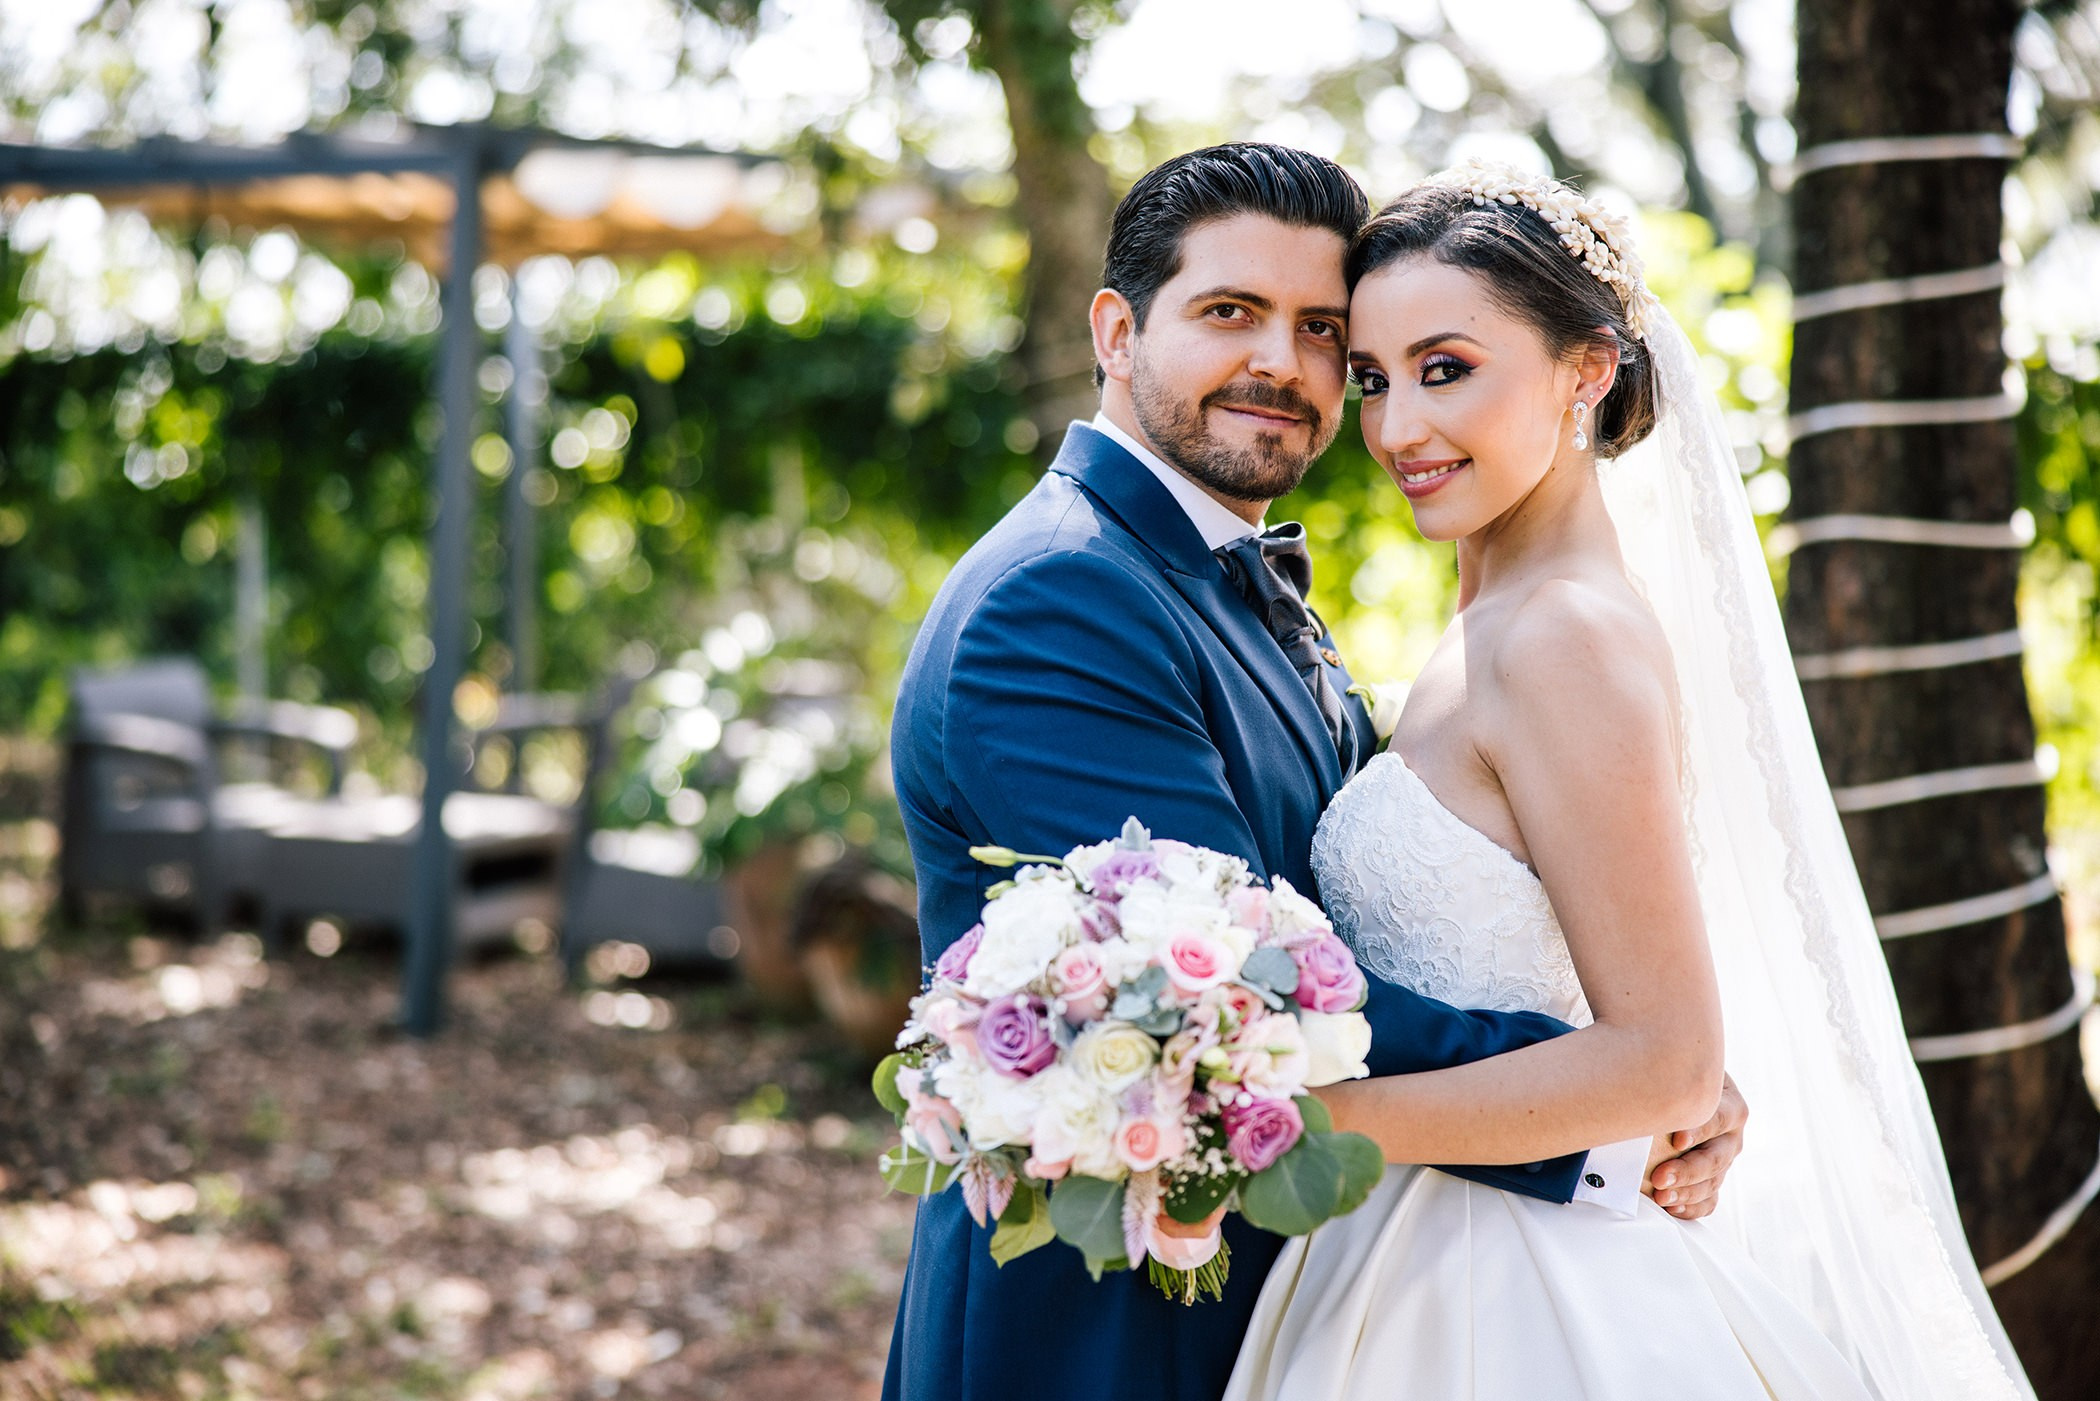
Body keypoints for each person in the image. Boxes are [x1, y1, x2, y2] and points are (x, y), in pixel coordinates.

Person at [882, 143, 1746, 1401]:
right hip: (1103, 1330)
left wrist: (1642, 1070)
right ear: (1118, 332)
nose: (1285, 365)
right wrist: (1619, 1097)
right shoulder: (1059, 601)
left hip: (1331, 1289)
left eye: (1323, 330)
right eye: (1231, 312)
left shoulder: (1234, 583)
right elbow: (1245, 1001)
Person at [1223, 163, 2033, 1399]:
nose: (1396, 430)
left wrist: (1299, 1121)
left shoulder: (1563, 638)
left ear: (1587, 370)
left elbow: (1664, 1062)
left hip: (1512, 1289)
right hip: (1414, 1250)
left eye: (1447, 369)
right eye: (1374, 379)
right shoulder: (1487, 617)